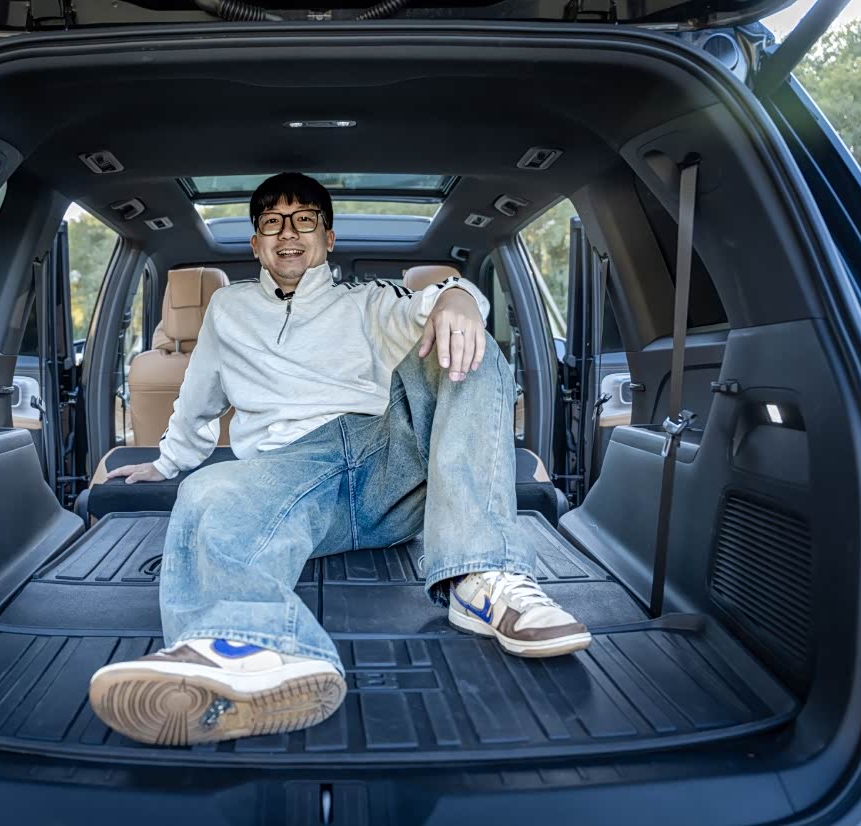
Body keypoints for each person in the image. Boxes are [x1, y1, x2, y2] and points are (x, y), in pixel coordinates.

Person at [88, 173, 590, 746]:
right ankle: (248, 647)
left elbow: (436, 304)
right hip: (288, 481)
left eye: (304, 220)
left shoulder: (368, 300)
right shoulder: (227, 309)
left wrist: (458, 297)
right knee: (206, 490)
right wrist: (166, 462)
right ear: (255, 243)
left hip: (386, 470)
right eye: (272, 223)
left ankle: (481, 576)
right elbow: (198, 396)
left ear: (327, 238)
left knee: (462, 343)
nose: (288, 233)